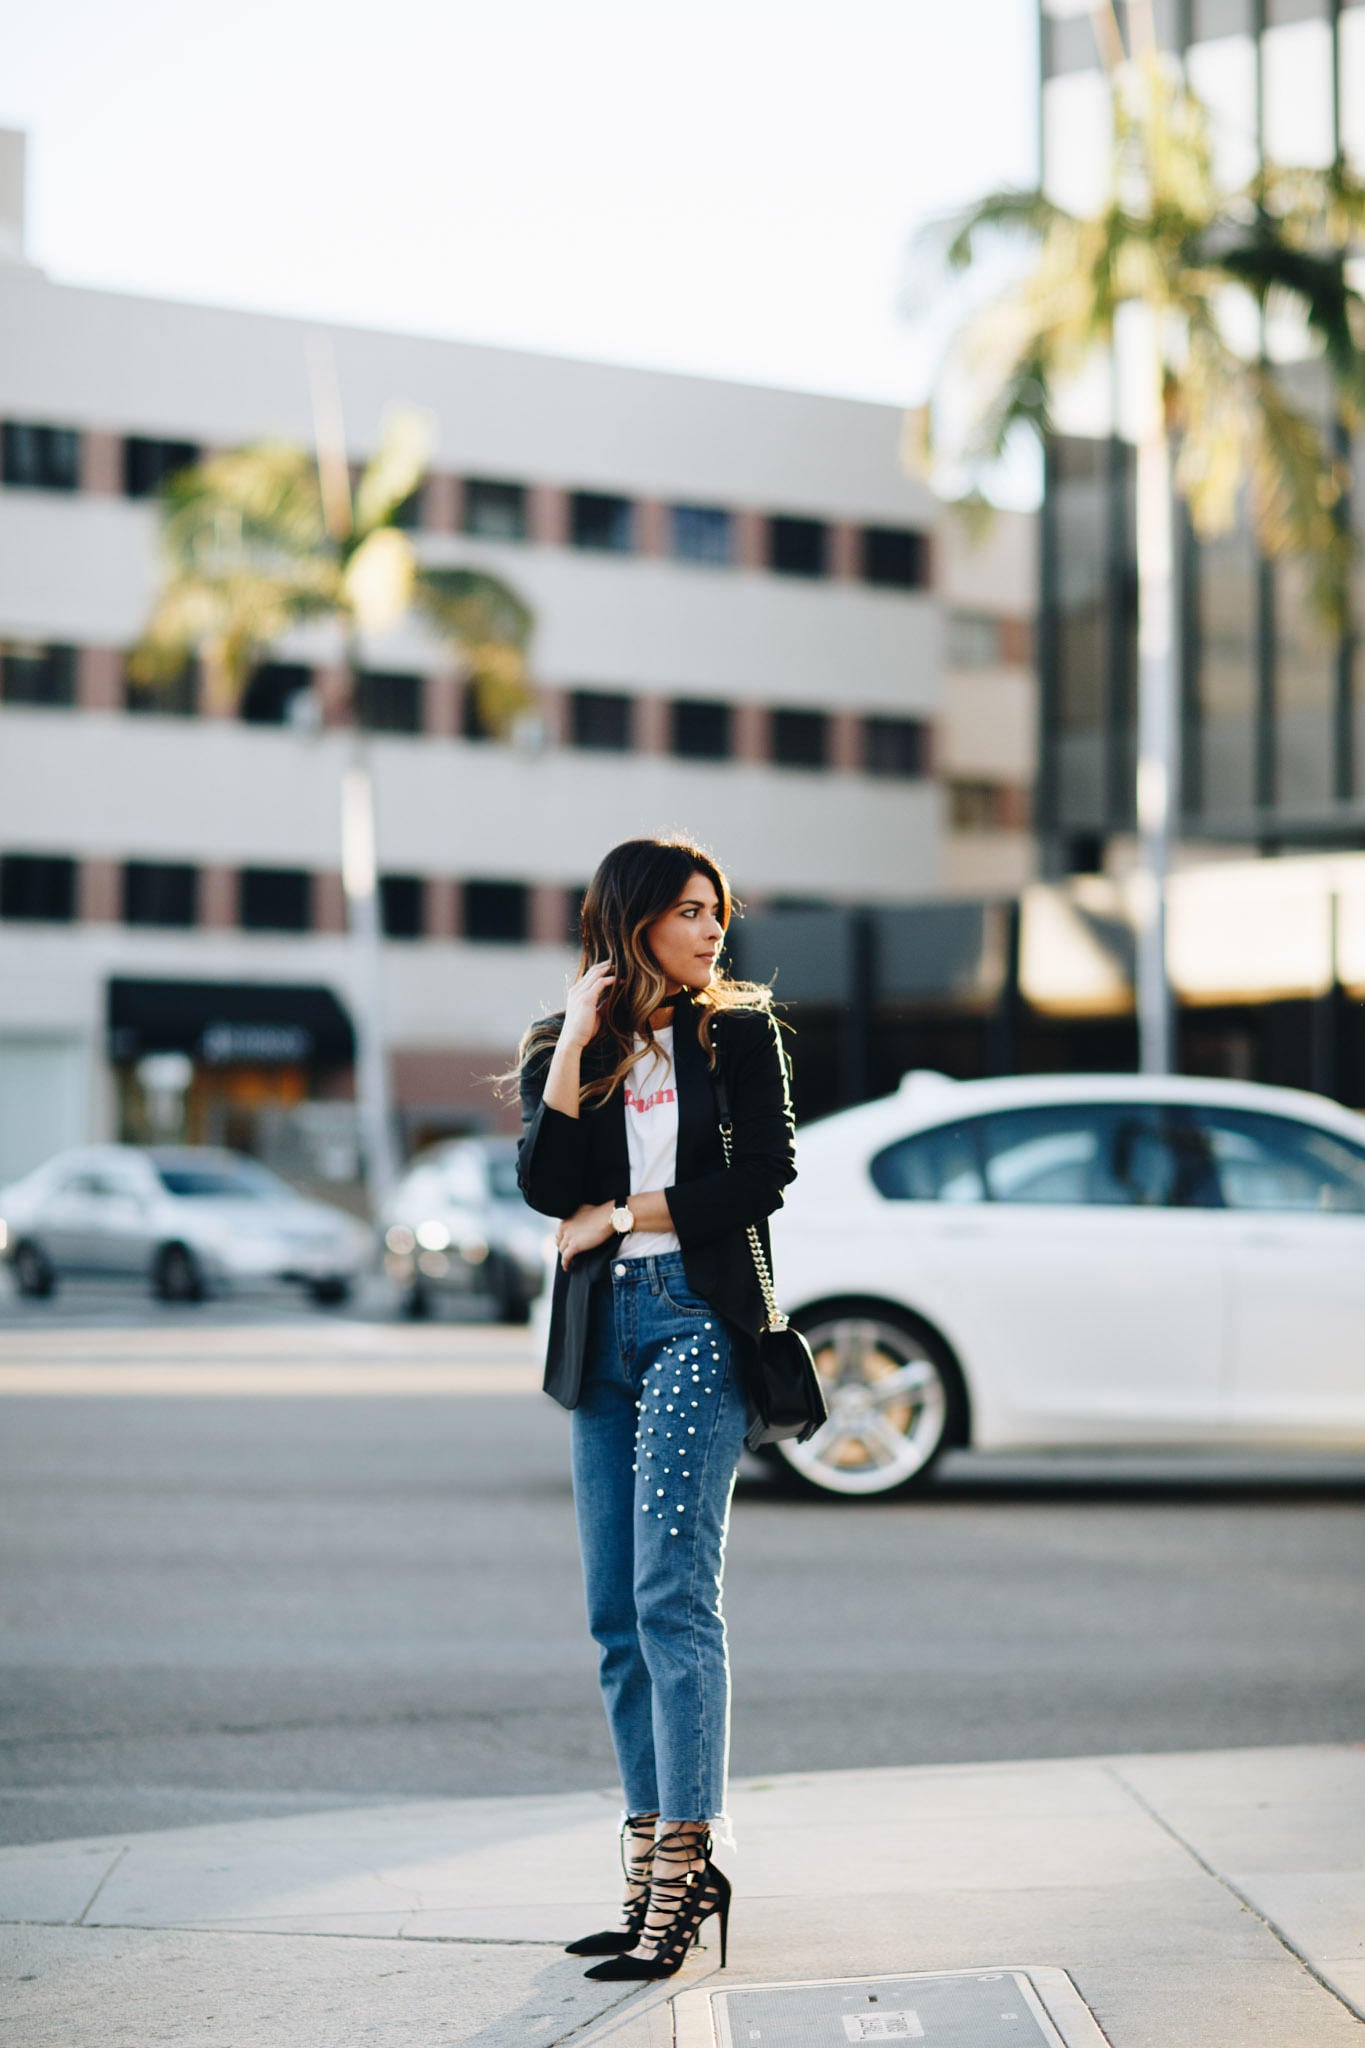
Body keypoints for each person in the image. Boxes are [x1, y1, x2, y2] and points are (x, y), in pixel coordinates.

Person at [513, 836, 796, 1981]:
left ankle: (688, 1865)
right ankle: (644, 1866)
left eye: (717, 908)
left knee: (672, 1598)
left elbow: (763, 1175)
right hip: (602, 1333)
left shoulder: (739, 1035)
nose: (711, 926)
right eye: (688, 909)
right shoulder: (568, 1043)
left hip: (694, 1319)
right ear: (632, 920)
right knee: (612, 1616)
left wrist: (624, 1215)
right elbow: (543, 1184)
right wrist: (582, 1037)